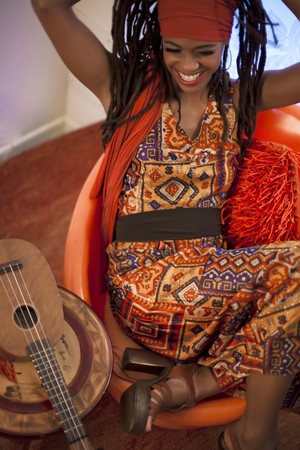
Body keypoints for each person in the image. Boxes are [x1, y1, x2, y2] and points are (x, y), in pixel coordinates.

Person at [32, 1, 300, 448]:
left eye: (205, 51)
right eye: (174, 49)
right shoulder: (124, 91)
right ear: (159, 41)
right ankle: (251, 431)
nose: (188, 66)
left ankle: (184, 386)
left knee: (289, 313)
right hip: (145, 286)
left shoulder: (238, 99)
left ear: (226, 42)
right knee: (294, 274)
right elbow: (46, 6)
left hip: (211, 281)